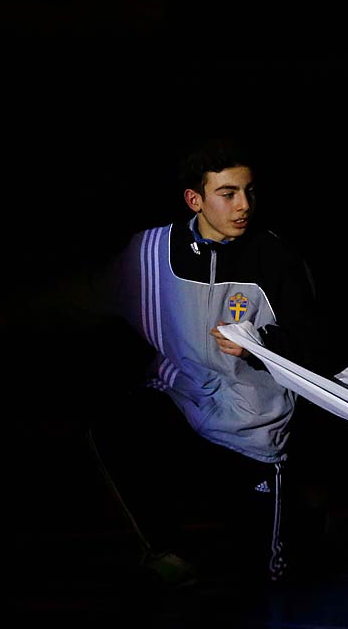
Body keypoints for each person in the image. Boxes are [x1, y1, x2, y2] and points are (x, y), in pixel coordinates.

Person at [91, 139, 318, 584]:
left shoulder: (275, 258)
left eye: (249, 191)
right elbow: (99, 305)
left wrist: (263, 344)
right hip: (184, 399)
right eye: (228, 193)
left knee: (268, 575)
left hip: (249, 424)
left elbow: (315, 342)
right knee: (115, 425)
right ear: (195, 200)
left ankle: (303, 517)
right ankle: (167, 551)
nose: (244, 205)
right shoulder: (148, 251)